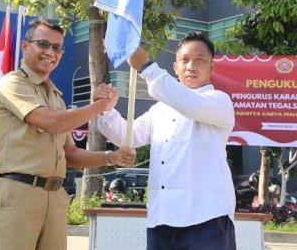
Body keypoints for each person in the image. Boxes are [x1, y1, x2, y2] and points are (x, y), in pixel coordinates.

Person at [0, 17, 136, 250]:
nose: (51, 52)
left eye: (57, 47)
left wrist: (112, 157)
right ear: (25, 46)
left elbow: (69, 153)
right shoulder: (12, 83)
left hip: (55, 196)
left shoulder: (55, 95)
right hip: (21, 194)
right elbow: (53, 124)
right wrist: (100, 106)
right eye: (44, 44)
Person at [97, 31, 237, 250]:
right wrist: (107, 110)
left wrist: (146, 66)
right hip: (162, 219)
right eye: (185, 60)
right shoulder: (160, 110)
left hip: (207, 218)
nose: (191, 66)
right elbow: (128, 136)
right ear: (175, 67)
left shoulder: (219, 102)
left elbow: (190, 104)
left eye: (200, 60)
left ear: (212, 67)